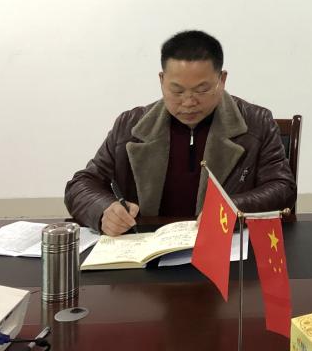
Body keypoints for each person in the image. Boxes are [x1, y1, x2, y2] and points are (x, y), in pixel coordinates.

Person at [65, 30, 296, 235]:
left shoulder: (256, 123)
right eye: (177, 91)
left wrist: (231, 207)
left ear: (222, 80)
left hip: (223, 249)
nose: (188, 102)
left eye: (202, 90)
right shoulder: (130, 126)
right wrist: (104, 210)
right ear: (162, 80)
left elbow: (282, 188)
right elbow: (81, 185)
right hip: (146, 249)